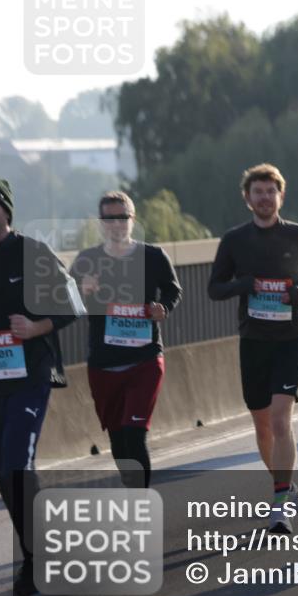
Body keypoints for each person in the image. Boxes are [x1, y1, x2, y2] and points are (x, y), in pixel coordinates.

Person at [208, 163, 298, 533]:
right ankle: (284, 484)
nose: (264, 198)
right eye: (257, 192)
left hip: (292, 337)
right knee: (261, 424)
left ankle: (279, 505)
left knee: (279, 419)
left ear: (281, 195)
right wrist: (242, 285)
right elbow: (215, 288)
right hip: (254, 340)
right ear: (247, 199)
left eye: (270, 191)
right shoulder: (234, 241)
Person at [0, 178, 80, 596]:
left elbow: (72, 304)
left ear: (4, 210)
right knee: (1, 471)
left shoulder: (31, 252)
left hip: (30, 376)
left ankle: (37, 560)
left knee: (16, 460)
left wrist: (35, 326)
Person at [70, 191, 182, 489]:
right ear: (101, 223)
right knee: (118, 441)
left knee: (134, 433)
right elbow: (65, 303)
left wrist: (163, 308)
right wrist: (84, 290)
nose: (115, 224)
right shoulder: (87, 259)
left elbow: (173, 291)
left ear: (132, 220)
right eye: (109, 219)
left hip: (144, 358)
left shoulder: (153, 256)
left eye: (122, 217)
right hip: (104, 364)